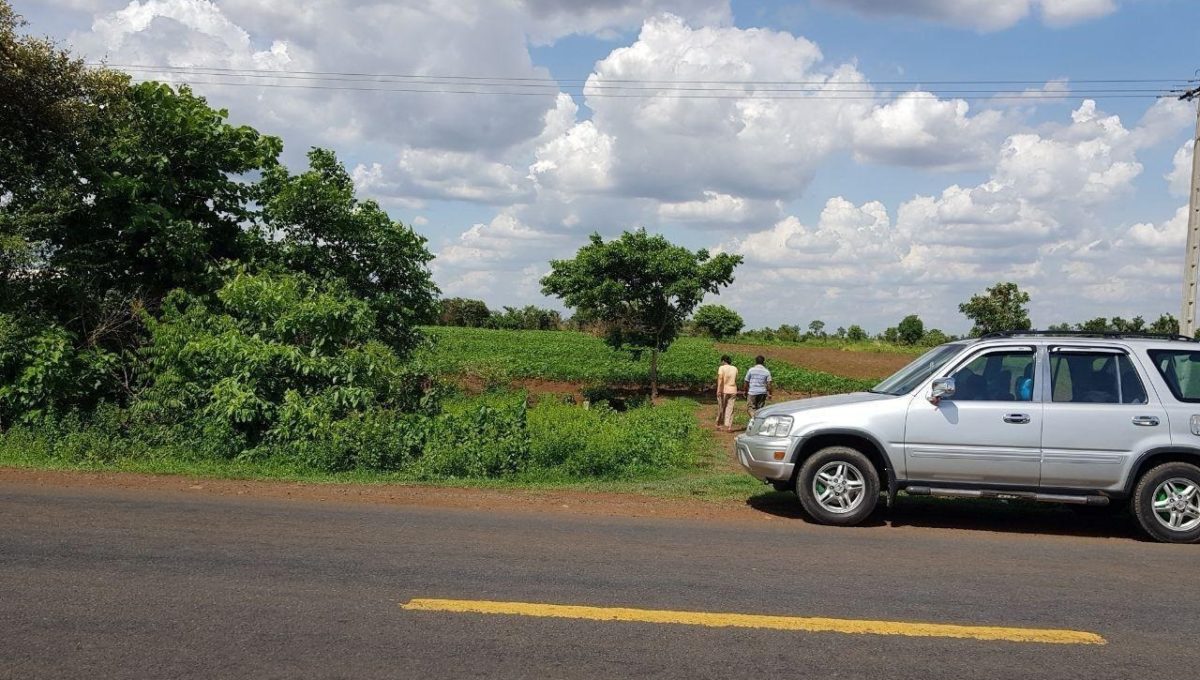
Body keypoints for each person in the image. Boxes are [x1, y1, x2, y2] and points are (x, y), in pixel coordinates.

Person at [715, 355, 738, 431]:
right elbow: (735, 379)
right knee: (731, 408)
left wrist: (718, 390)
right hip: (733, 390)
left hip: (724, 390)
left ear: (723, 361)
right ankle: (729, 427)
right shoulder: (735, 368)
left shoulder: (721, 368)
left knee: (721, 407)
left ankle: (718, 424)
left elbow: (720, 379)